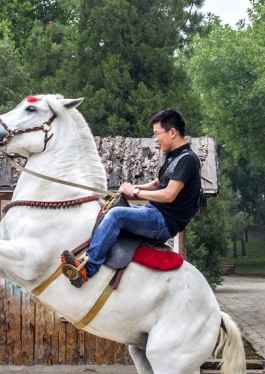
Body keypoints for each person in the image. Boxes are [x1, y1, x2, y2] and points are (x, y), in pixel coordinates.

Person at [61, 108, 201, 288]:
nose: (155, 140)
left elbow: (168, 194)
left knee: (116, 215)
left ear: (172, 132)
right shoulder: (173, 157)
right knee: (108, 210)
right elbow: (158, 183)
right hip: (155, 212)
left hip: (163, 222)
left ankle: (88, 268)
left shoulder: (187, 159)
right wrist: (132, 188)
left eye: (157, 134)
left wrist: (135, 194)